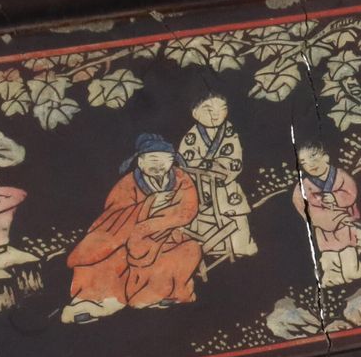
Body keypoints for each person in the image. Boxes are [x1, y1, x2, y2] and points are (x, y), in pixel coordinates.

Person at [62, 134, 203, 323]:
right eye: (153, 159)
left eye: (165, 160)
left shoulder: (181, 179)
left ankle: (156, 296)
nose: (159, 165)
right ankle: (93, 303)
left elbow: (188, 209)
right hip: (123, 237)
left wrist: (150, 227)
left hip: (166, 235)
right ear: (140, 162)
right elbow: (114, 216)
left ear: (172, 161)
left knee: (188, 250)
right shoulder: (127, 184)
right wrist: (149, 205)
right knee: (105, 260)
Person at [178, 94, 257, 262]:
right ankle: (212, 247)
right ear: (195, 113)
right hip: (201, 186)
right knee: (201, 213)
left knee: (236, 210)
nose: (216, 115)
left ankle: (241, 246)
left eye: (222, 109)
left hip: (226, 184)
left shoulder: (229, 131)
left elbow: (235, 158)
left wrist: (219, 169)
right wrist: (207, 170)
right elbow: (186, 162)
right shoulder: (191, 136)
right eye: (209, 110)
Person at [289, 141, 361, 288]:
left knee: (348, 252)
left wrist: (335, 197)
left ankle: (354, 274)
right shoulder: (304, 185)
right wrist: (311, 214)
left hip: (343, 223)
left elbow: (351, 192)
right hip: (323, 228)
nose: (310, 164)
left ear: (326, 157)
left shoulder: (340, 176)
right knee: (329, 256)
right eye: (303, 162)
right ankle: (333, 280)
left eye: (313, 157)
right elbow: (298, 200)